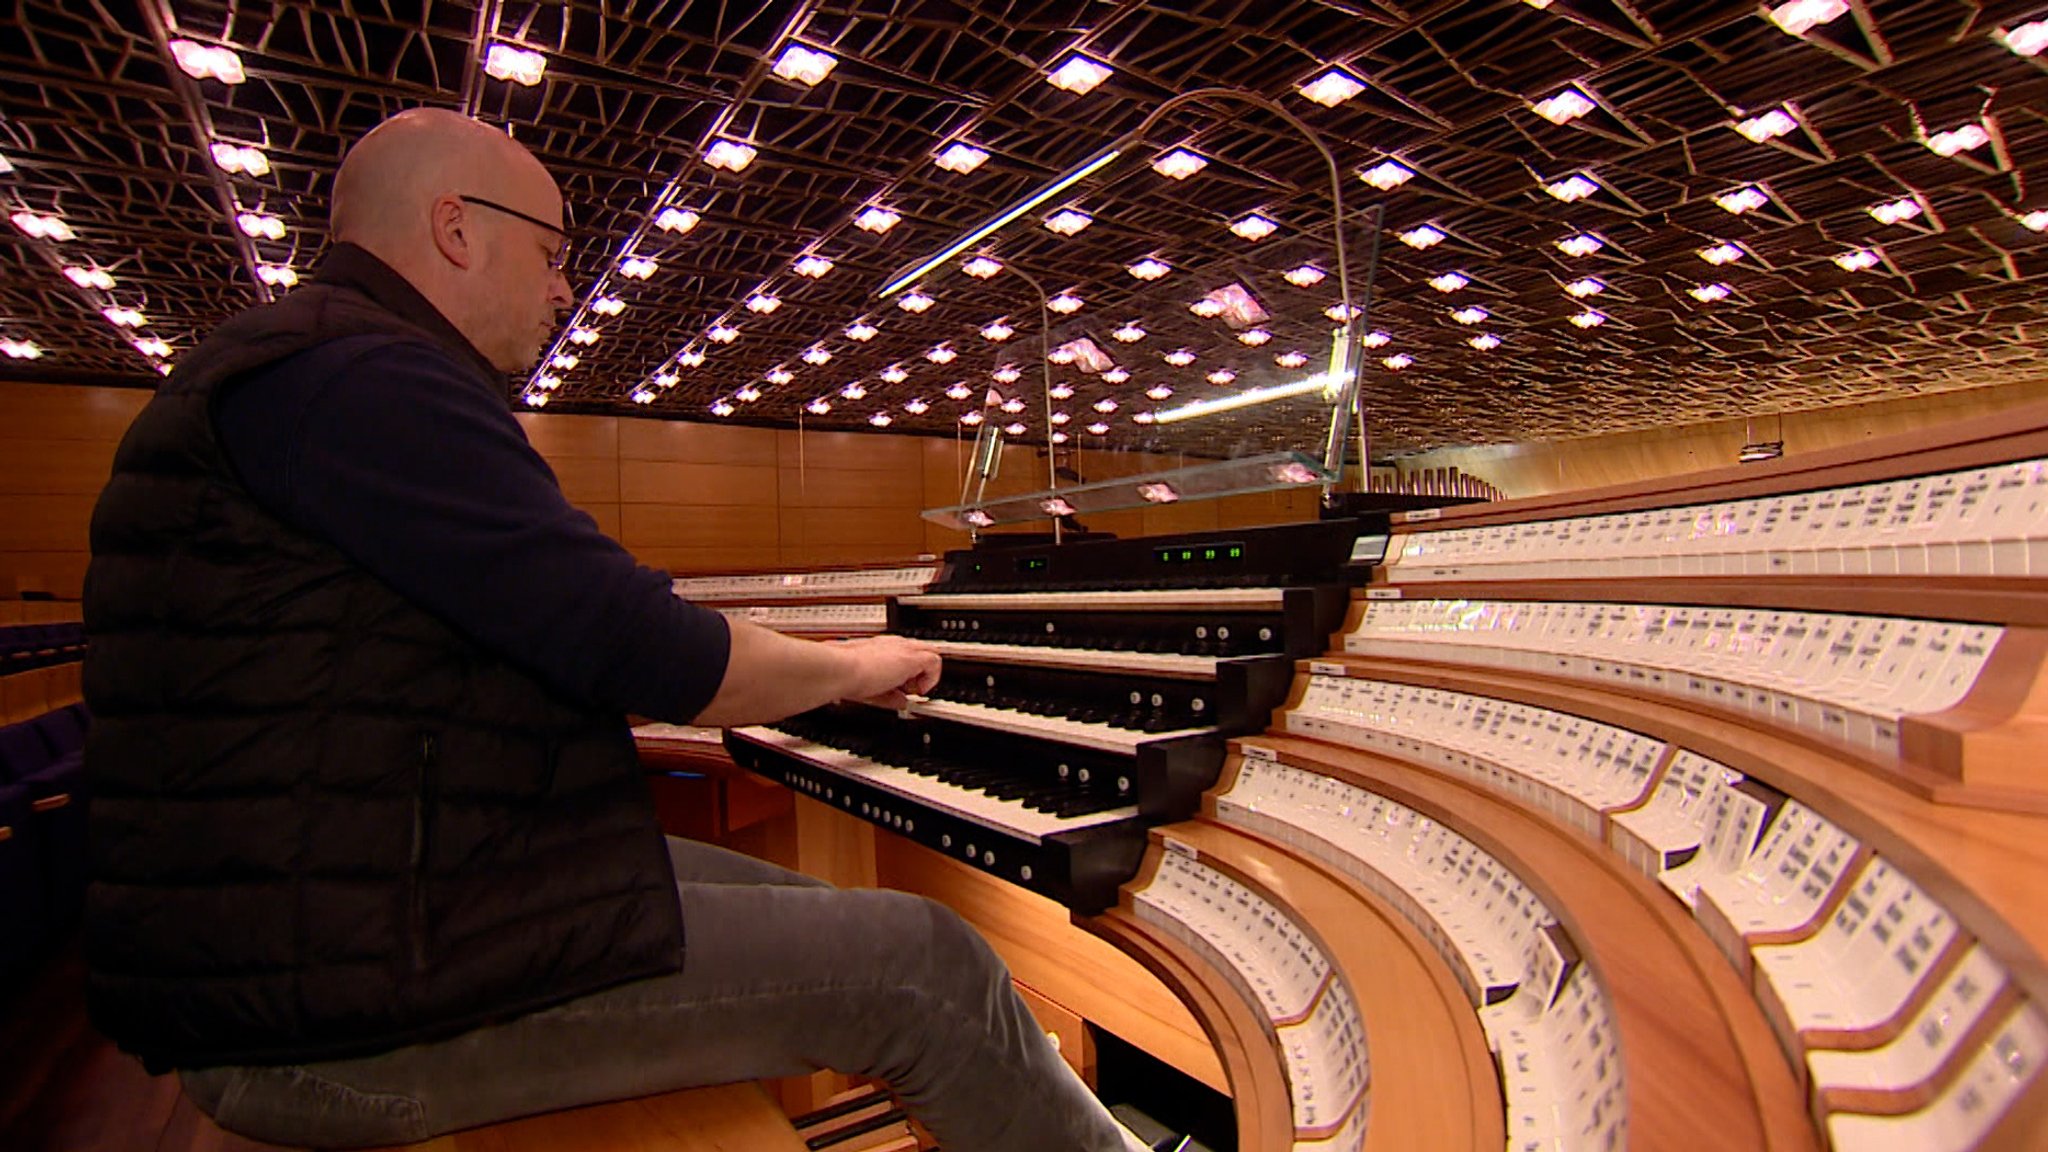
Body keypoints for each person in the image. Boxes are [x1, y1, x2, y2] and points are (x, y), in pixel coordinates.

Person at [82, 107, 1148, 1152]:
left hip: (359, 926)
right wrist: (859, 665)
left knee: (803, 903)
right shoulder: (361, 377)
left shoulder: (313, 365)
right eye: (549, 253)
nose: (560, 289)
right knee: (931, 965)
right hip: (341, 1008)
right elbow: (645, 647)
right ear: (456, 228)